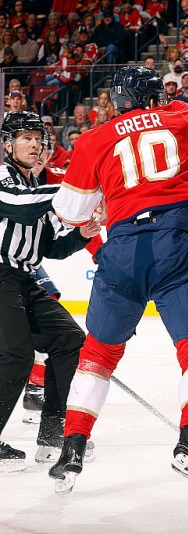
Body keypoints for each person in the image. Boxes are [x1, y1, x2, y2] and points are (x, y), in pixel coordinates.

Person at [48, 67, 188, 496]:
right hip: (175, 244)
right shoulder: (180, 117)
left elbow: (71, 213)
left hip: (123, 250)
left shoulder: (93, 139)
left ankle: (72, 448)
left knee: (98, 354)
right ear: (154, 97)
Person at [0, 112, 98, 466]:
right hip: (0, 277)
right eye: (25, 138)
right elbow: (20, 210)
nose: (34, 144)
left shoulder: (35, 186)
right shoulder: (3, 178)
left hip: (24, 280)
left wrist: (79, 236)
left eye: (37, 138)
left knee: (70, 339)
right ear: (8, 145)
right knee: (17, 356)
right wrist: (71, 190)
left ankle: (53, 431)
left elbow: (48, 249)